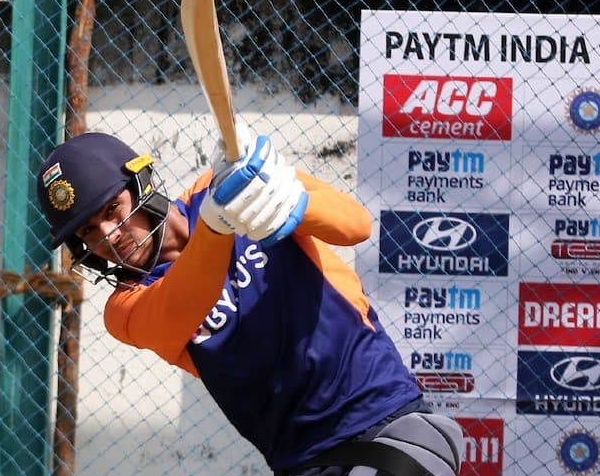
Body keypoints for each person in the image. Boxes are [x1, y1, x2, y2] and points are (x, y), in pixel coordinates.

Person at [36, 126, 464, 476]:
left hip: (384, 416)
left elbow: (355, 225)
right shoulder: (125, 308)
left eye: (113, 209)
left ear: (142, 184)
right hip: (303, 461)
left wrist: (287, 201)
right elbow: (187, 300)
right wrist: (217, 224)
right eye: (88, 231)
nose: (108, 235)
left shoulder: (219, 192)